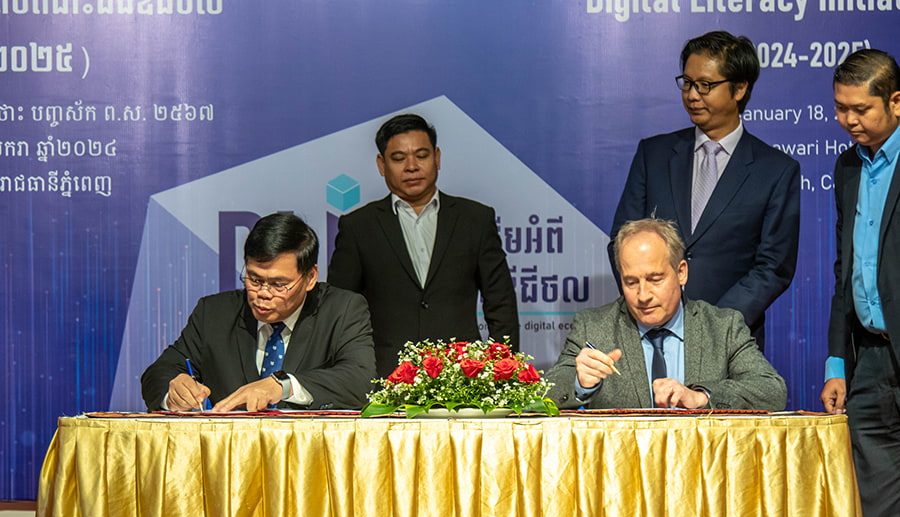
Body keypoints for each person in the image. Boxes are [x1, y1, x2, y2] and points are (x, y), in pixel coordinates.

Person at [610, 30, 801, 350]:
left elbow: (773, 266)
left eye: (705, 85)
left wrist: (714, 324)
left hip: (730, 340)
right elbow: (622, 239)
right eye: (687, 83)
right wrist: (653, 307)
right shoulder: (653, 155)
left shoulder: (776, 170)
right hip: (651, 335)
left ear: (740, 88)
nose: (692, 94)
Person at [327, 113, 519, 376]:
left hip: (462, 374)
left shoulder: (475, 219)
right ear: (381, 165)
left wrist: (500, 370)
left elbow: (500, 303)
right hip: (384, 376)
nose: (412, 166)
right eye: (398, 158)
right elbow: (340, 309)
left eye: (422, 155)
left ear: (437, 157)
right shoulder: (358, 226)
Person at [141, 213, 376, 412]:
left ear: (310, 277)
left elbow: (359, 380)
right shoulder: (214, 313)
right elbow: (159, 372)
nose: (262, 293)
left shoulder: (342, 310)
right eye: (254, 279)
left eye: (278, 284)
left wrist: (282, 385)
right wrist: (174, 389)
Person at [545, 218, 786, 410]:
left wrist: (701, 397)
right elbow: (544, 396)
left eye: (655, 279)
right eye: (630, 282)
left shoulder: (723, 327)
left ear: (681, 272)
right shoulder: (594, 326)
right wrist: (580, 384)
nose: (643, 295)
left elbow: (771, 392)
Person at [821, 48, 900, 517]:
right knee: (875, 495)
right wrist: (836, 361)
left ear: (896, 102)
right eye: (840, 109)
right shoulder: (848, 166)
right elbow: (844, 270)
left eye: (861, 109)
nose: (849, 121)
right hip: (868, 358)